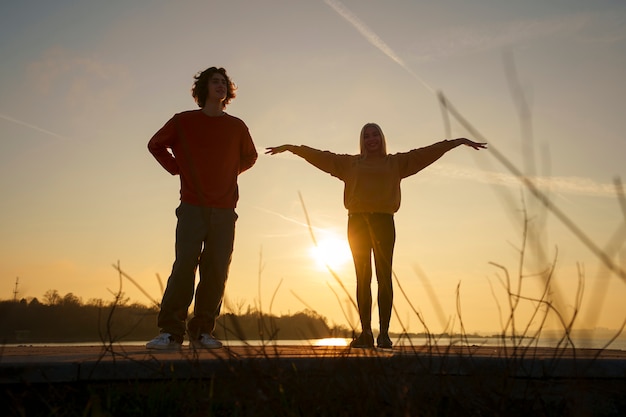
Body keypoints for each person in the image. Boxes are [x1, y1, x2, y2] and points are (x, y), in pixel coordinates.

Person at [266, 124, 486, 348]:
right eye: (367, 136)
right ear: (362, 140)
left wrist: (456, 142)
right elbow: (322, 157)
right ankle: (366, 333)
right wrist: (293, 148)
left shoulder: (396, 163)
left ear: (382, 138)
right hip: (357, 223)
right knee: (363, 278)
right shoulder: (349, 164)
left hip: (384, 222)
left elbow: (426, 153)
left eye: (375, 135)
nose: (372, 139)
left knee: (384, 277)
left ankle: (384, 334)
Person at [146, 67, 258, 350]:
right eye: (215, 82)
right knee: (184, 266)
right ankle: (171, 332)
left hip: (224, 210)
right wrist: (176, 169)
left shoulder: (237, 127)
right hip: (192, 207)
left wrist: (227, 174)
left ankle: (202, 332)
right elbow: (155, 144)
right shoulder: (183, 122)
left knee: (217, 270)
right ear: (203, 88)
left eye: (224, 82)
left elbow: (251, 156)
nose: (220, 86)